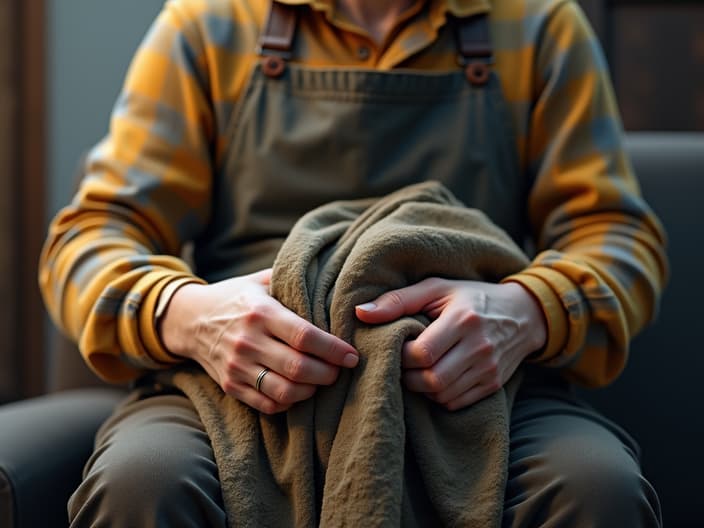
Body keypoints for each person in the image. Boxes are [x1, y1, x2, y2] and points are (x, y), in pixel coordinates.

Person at [39, 0, 668, 526]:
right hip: (237, 391)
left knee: (594, 488)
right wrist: (190, 315)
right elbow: (90, 236)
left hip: (477, 390)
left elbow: (617, 236)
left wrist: (526, 312)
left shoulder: (539, 26)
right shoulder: (209, 24)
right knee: (142, 484)